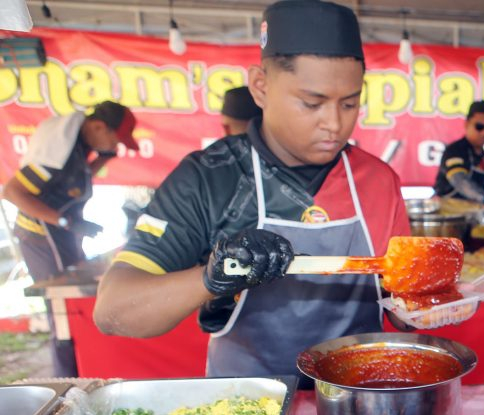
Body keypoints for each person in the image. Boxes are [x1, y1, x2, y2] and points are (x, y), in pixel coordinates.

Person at [93, 0, 411, 378]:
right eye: (312, 103)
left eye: (350, 102)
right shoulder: (209, 178)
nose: (335, 124)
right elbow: (113, 311)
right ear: (260, 87)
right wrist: (210, 279)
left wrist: (429, 307)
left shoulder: (378, 181)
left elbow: (402, 305)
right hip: (244, 410)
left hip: (357, 411)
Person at [3, 100, 138, 376]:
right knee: (63, 306)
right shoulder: (57, 150)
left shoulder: (82, 143)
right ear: (98, 126)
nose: (116, 144)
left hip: (63, 233)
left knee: (78, 303)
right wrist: (67, 222)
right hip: (41, 236)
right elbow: (13, 192)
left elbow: (77, 178)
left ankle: (87, 365)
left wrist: (105, 155)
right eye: (115, 138)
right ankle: (67, 377)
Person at [432, 100, 484, 204]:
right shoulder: (455, 150)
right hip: (446, 215)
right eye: (479, 127)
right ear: (467, 124)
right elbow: (459, 180)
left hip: (472, 216)